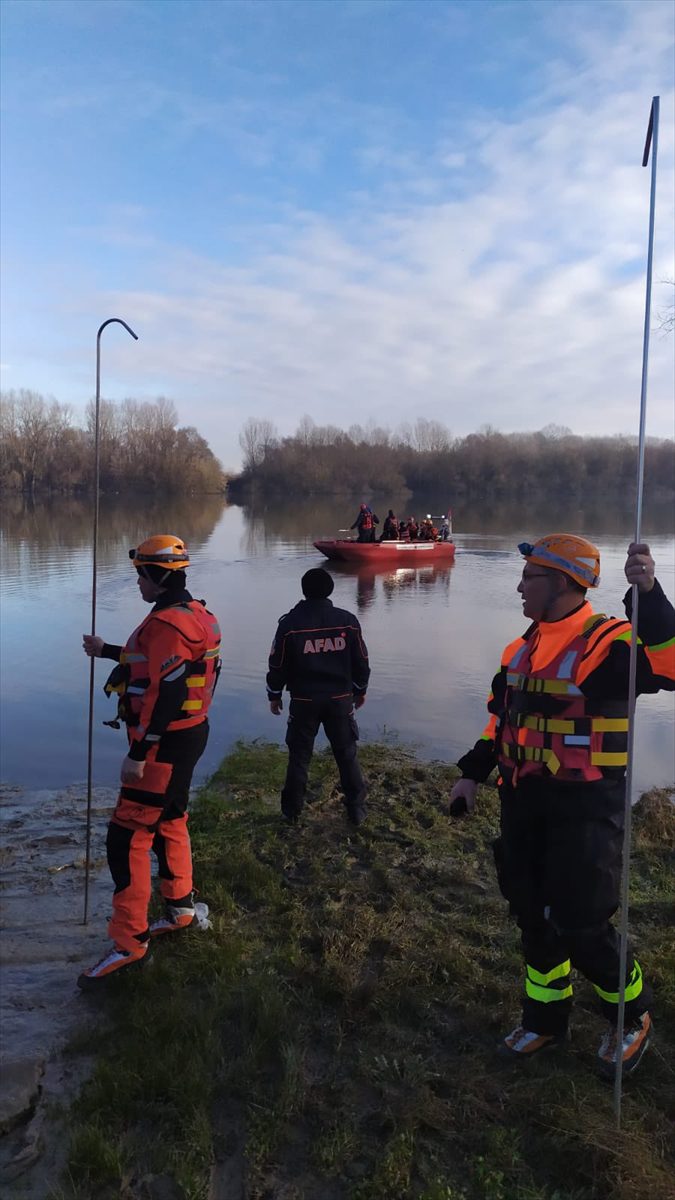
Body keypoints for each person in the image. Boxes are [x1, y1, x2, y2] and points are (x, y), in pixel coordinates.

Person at [449, 535, 675, 1076]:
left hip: (585, 806)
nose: (520, 586)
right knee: (534, 919)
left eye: (530, 577)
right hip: (523, 802)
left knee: (581, 924)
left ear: (565, 583)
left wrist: (650, 597)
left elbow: (667, 669)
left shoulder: (610, 642)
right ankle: (545, 1020)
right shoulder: (519, 648)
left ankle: (632, 1017)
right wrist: (471, 775)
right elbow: (501, 721)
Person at [79, 534, 221, 988]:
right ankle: (181, 909)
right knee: (171, 818)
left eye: (140, 573)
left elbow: (172, 687)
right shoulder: (198, 614)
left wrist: (139, 754)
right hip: (192, 735)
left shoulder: (164, 625)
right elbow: (157, 664)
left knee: (128, 836)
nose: (137, 582)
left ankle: (129, 944)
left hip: (162, 746)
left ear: (157, 577)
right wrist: (107, 652)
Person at [267, 567, 370, 825]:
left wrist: (274, 693)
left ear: (304, 591)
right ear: (330, 591)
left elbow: (277, 664)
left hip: (303, 701)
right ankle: (356, 810)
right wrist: (361, 690)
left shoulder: (289, 625)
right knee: (346, 754)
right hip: (340, 700)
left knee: (299, 757)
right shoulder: (347, 621)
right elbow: (362, 661)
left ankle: (291, 812)